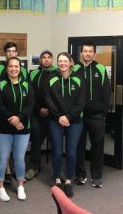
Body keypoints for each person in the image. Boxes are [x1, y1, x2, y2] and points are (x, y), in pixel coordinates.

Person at [0, 57, 34, 202]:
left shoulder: (27, 85)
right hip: (3, 129)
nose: (14, 69)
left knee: (19, 159)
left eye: (16, 66)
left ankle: (20, 186)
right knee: (2, 159)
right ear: (7, 68)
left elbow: (30, 105)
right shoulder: (0, 84)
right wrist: (13, 119)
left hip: (23, 129)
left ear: (20, 68)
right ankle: (1, 188)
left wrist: (20, 118)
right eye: (11, 66)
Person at [45, 52, 85, 198]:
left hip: (74, 121)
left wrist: (68, 117)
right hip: (55, 120)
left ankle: (68, 181)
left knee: (71, 152)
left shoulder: (79, 79)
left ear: (70, 63)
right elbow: (48, 100)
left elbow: (81, 102)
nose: (62, 63)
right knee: (56, 151)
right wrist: (59, 116)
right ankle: (57, 180)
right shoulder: (51, 78)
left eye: (65, 61)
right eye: (60, 61)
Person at [74, 42, 110, 188]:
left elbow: (106, 92)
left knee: (97, 147)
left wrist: (103, 111)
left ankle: (96, 176)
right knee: (79, 146)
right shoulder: (74, 68)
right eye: (85, 51)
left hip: (96, 116)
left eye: (90, 51)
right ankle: (80, 175)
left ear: (94, 53)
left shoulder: (100, 68)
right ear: (81, 53)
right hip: (79, 116)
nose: (87, 54)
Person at [26, 50, 57, 180]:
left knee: (57, 142)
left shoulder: (58, 73)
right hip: (37, 113)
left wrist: (51, 110)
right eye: (43, 57)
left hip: (54, 114)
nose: (46, 60)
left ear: (52, 59)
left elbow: (60, 96)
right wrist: (39, 109)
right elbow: (30, 94)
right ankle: (34, 167)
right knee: (36, 141)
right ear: (40, 60)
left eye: (49, 57)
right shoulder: (33, 73)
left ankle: (57, 170)